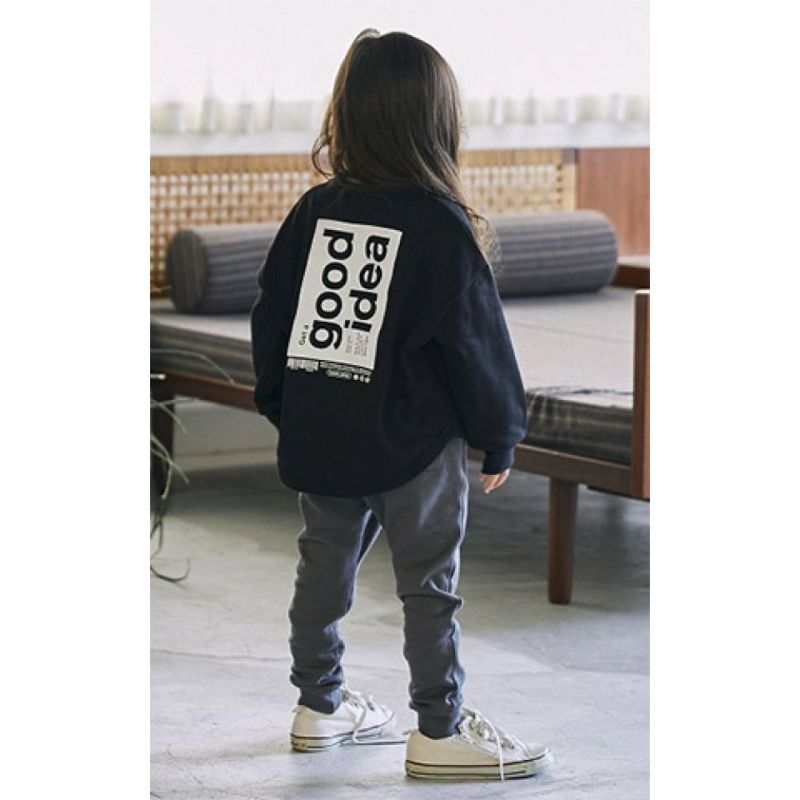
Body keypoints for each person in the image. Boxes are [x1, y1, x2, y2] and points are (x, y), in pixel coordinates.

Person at [250, 28, 552, 781]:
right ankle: (439, 731)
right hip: (415, 445)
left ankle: (318, 706)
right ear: (436, 121)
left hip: (324, 434)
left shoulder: (313, 210)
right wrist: (500, 434)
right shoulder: (439, 224)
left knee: (322, 567)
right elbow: (475, 341)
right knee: (429, 585)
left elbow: (272, 315)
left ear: (347, 113)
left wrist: (284, 404)